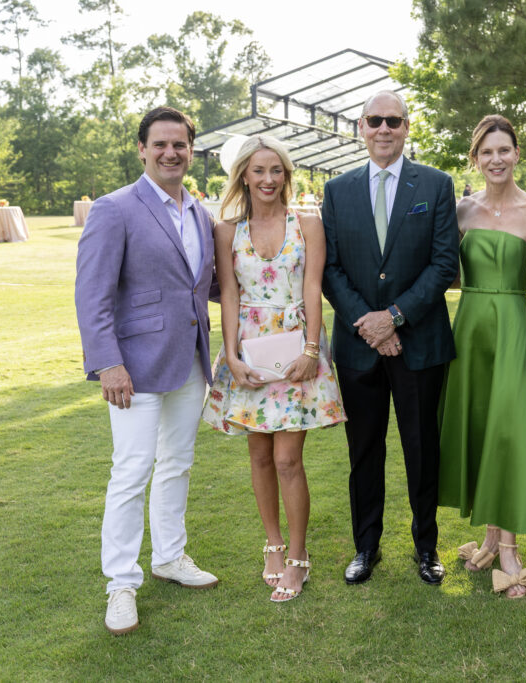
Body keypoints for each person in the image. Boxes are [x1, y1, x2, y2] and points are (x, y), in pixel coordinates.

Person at [75, 106, 219, 635]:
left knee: (177, 463)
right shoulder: (114, 209)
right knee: (132, 470)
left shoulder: (200, 213)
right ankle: (121, 582)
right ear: (141, 149)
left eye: (179, 144)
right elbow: (92, 294)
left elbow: (203, 285)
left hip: (190, 362)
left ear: (191, 150)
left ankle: (170, 557)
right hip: (131, 368)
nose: (170, 153)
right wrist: (107, 362)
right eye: (160, 144)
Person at [321, 90, 459, 586]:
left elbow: (445, 263)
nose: (384, 129)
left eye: (394, 121)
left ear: (406, 127)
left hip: (419, 344)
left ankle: (427, 548)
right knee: (364, 451)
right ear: (360, 127)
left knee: (423, 450)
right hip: (360, 347)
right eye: (375, 120)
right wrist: (370, 324)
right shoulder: (336, 190)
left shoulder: (437, 185)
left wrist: (395, 317)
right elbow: (330, 268)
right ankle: (366, 546)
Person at [202, 136, 345, 602]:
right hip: (248, 353)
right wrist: (233, 355)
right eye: (259, 171)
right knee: (259, 456)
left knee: (287, 459)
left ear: (287, 175)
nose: (268, 179)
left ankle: (299, 558)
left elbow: (313, 288)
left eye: (277, 170)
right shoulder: (227, 231)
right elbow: (229, 297)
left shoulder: (308, 224)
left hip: (296, 351)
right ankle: (273, 546)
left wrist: (310, 349)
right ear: (244, 174)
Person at [439, 115, 526, 599]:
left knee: (509, 429)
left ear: (517, 154)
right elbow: (438, 270)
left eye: (504, 150)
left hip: (515, 325)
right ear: (475, 158)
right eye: (486, 152)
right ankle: (491, 536)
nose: (495, 159)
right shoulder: (460, 210)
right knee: (480, 427)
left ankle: (511, 550)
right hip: (470, 329)